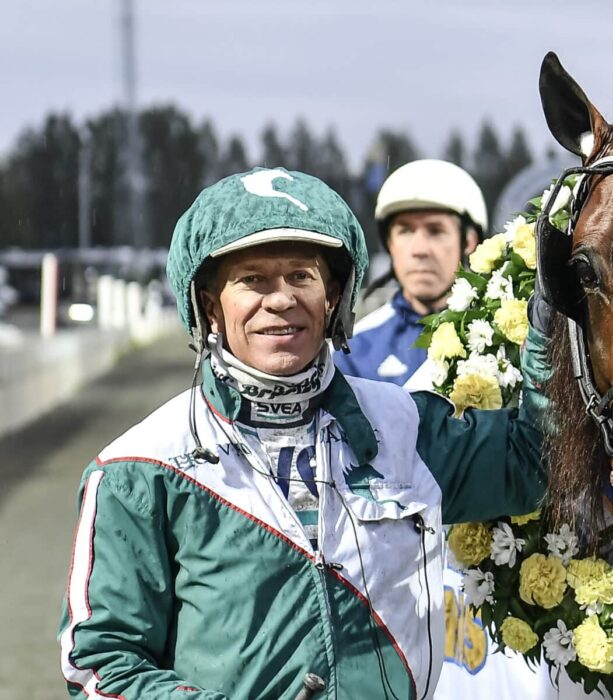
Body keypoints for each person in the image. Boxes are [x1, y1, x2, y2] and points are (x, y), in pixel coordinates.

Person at [58, 167, 547, 699]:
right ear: (208, 305)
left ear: (333, 297)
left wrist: (551, 322)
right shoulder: (140, 470)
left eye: (301, 277)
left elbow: (533, 464)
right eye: (252, 280)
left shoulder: (406, 428)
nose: (281, 299)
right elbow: (100, 663)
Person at [336, 158, 487, 385]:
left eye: (436, 231)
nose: (419, 250)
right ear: (389, 244)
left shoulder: (501, 338)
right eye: (405, 231)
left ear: (469, 241)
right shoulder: (353, 351)